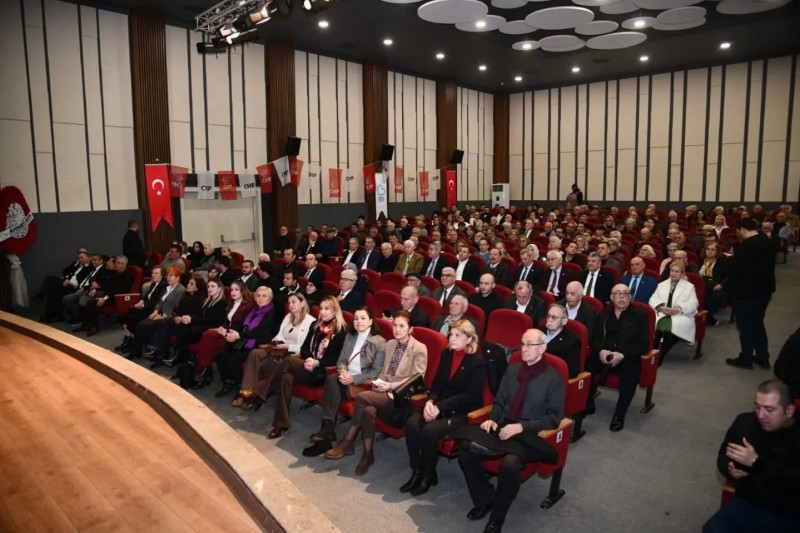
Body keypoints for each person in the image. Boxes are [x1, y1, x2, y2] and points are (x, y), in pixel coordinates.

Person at [455, 329, 564, 533]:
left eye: (529, 344)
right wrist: (492, 419)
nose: (524, 349)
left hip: (528, 434)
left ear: (542, 348)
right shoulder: (513, 370)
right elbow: (500, 401)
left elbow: (553, 418)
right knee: (465, 448)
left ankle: (498, 516)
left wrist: (521, 426)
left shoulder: (553, 378)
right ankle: (485, 499)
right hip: (504, 426)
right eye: (522, 344)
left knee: (510, 464)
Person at [325, 310, 428, 476]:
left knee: (362, 397)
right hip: (382, 394)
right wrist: (378, 383)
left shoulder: (419, 348)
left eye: (402, 326)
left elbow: (417, 381)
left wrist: (390, 386)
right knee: (368, 410)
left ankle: (348, 440)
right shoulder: (391, 344)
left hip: (400, 400)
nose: (397, 329)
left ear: (410, 329)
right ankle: (368, 454)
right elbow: (383, 372)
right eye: (395, 325)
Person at [401, 320, 486, 496]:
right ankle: (417, 470)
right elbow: (437, 383)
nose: (452, 338)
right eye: (451, 334)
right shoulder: (447, 354)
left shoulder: (477, 362)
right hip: (440, 406)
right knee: (412, 424)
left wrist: (439, 407)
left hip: (461, 412)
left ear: (469, 339)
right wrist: (430, 401)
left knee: (429, 431)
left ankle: (428, 475)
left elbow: (469, 396)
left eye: (457, 335)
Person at [702, 379, 800, 533]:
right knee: (712, 529)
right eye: (757, 407)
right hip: (749, 500)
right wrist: (729, 469)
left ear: (789, 411)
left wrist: (756, 462)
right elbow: (723, 454)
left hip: (788, 510)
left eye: (769, 409)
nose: (761, 415)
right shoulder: (745, 422)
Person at [302, 307, 387, 457]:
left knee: (331, 384)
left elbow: (376, 372)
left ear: (371, 321)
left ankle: (327, 433)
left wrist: (353, 378)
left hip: (362, 384)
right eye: (356, 318)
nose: (359, 321)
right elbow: (341, 360)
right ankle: (327, 432)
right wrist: (342, 371)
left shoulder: (379, 342)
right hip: (344, 379)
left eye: (363, 318)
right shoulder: (350, 336)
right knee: (332, 380)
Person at [262, 296, 348, 439]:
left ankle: (262, 391)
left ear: (335, 310)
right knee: (286, 377)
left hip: (321, 373)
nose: (323, 312)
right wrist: (309, 359)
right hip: (306, 367)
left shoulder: (341, 330)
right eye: (321, 308)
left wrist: (317, 362)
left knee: (289, 361)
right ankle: (280, 423)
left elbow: (337, 358)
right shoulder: (315, 325)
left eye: (327, 309)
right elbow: (304, 349)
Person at [227, 292, 317, 403]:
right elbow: (279, 335)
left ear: (302, 303)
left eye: (294, 302)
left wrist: (288, 346)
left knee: (264, 362)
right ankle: (245, 392)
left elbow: (305, 347)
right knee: (255, 353)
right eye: (289, 303)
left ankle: (253, 394)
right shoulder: (288, 316)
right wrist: (275, 341)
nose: (290, 305)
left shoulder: (310, 321)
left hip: (292, 355)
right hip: (279, 351)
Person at [586, 284, 650, 432]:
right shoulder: (604, 314)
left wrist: (622, 355)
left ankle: (619, 414)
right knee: (586, 367)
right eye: (618, 293)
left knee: (629, 376)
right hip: (605, 354)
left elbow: (643, 345)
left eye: (625, 293)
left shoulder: (640, 316)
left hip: (627, 356)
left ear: (630, 297)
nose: (622, 297)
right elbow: (595, 339)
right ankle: (588, 404)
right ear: (611, 297)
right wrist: (601, 350)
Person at [725, 218, 777, 370]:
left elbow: (736, 270)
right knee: (758, 324)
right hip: (765, 291)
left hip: (746, 293)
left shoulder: (744, 246)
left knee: (746, 326)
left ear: (742, 229)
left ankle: (746, 358)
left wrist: (729, 260)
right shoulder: (768, 242)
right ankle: (763, 357)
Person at [211, 286, 278, 392]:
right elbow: (241, 324)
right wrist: (231, 333)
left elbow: (259, 331)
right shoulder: (253, 309)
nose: (260, 298)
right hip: (243, 341)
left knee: (232, 358)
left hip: (257, 345)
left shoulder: (272, 313)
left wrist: (239, 335)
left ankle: (237, 383)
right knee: (221, 355)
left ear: (269, 298)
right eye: (258, 296)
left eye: (264, 296)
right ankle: (227, 382)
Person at [189, 280, 254, 387]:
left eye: (236, 290)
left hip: (235, 337)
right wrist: (221, 328)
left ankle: (205, 372)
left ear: (243, 291)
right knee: (207, 336)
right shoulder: (232, 303)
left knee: (207, 340)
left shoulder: (247, 306)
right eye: (232, 290)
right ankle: (206, 371)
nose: (233, 292)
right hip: (225, 332)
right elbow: (227, 321)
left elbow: (243, 326)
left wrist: (226, 331)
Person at [163, 278, 227, 373]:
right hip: (201, 325)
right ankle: (182, 358)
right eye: (208, 286)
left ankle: (181, 357)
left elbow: (211, 320)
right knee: (182, 324)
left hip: (210, 328)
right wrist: (188, 317)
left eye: (213, 286)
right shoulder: (207, 301)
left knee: (184, 327)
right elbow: (198, 314)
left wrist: (192, 320)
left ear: (220, 288)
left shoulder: (221, 302)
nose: (210, 289)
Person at [127, 267, 186, 361]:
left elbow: (177, 308)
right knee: (141, 324)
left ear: (177, 278)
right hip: (161, 314)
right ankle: (136, 351)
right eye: (167, 275)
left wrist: (163, 315)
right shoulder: (168, 288)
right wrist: (155, 312)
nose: (168, 277)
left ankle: (157, 352)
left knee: (146, 325)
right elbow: (160, 302)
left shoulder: (181, 290)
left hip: (170, 317)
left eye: (171, 275)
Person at [649, 264, 699, 363]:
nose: (673, 273)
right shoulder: (662, 285)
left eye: (677, 271)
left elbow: (694, 303)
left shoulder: (689, 287)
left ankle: (661, 354)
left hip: (680, 315)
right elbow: (653, 298)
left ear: (682, 274)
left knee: (671, 330)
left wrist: (678, 309)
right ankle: (652, 352)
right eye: (672, 271)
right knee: (656, 328)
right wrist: (661, 307)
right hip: (662, 313)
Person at [541, 304, 582, 378]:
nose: (549, 320)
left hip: (553, 378)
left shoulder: (572, 341)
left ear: (564, 321)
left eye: (554, 317)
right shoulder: (538, 332)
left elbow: (572, 371)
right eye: (548, 316)